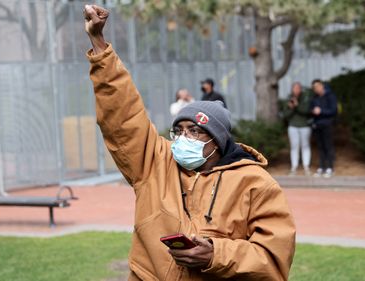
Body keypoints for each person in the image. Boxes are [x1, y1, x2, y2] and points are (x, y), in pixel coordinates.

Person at [84, 5, 295, 280]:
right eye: (179, 131)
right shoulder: (154, 164)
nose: (184, 138)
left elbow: (272, 260)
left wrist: (215, 255)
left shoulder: (256, 184)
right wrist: (100, 46)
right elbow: (122, 117)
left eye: (195, 131)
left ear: (217, 140)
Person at [283, 82, 312, 175]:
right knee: (294, 146)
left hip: (304, 126)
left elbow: (306, 111)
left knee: (305, 146)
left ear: (300, 89)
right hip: (293, 126)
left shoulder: (305, 98)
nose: (296, 90)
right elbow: (285, 115)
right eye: (295, 88)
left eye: (298, 88)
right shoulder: (288, 99)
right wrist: (291, 108)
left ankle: (306, 166)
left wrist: (297, 105)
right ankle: (294, 167)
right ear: (292, 89)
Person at [310, 79, 337, 178]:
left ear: (322, 86)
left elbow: (334, 110)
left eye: (317, 86)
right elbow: (310, 109)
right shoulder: (315, 98)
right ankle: (322, 167)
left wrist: (321, 111)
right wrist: (313, 111)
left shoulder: (330, 96)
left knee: (328, 146)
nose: (316, 89)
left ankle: (330, 167)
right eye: (314, 88)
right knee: (320, 147)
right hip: (317, 125)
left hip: (327, 124)